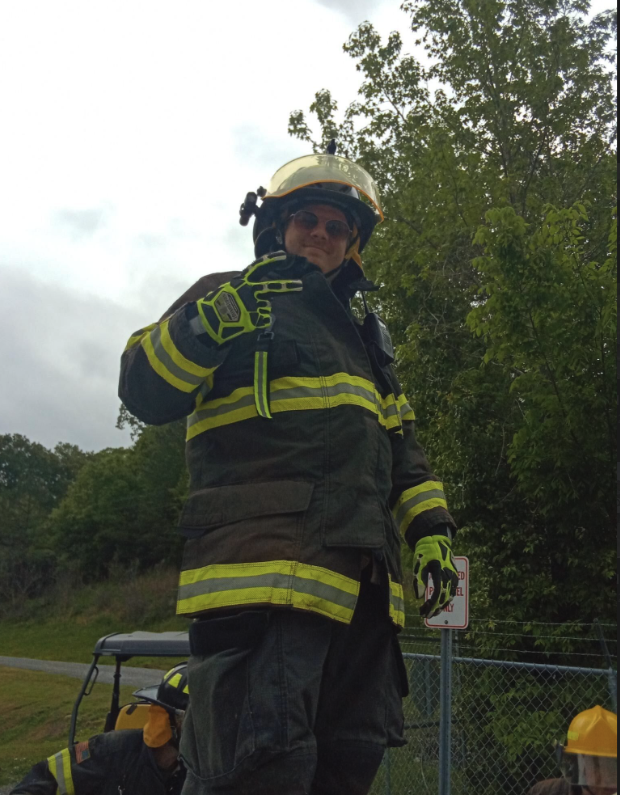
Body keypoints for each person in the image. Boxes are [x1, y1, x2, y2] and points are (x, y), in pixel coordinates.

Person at [119, 148, 459, 795]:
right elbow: (143, 389)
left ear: (351, 245)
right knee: (258, 767)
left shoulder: (367, 342)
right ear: (278, 227)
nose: (322, 236)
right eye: (309, 220)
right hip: (266, 578)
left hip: (364, 591)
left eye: (337, 228)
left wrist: (432, 531)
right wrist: (208, 326)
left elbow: (403, 452)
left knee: (349, 760)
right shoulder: (227, 296)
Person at [10, 663, 189, 795]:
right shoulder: (113, 751)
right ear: (168, 721)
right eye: (200, 720)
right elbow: (41, 781)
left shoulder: (206, 772)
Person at [528, 705, 617, 795]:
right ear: (579, 766)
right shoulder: (545, 791)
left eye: (612, 767)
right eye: (597, 765)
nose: (606, 777)